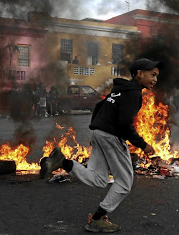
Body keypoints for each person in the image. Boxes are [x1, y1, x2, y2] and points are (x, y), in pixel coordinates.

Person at [40, 58, 160, 233]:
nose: (156, 79)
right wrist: (143, 145)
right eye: (153, 74)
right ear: (140, 74)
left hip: (99, 132)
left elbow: (99, 106)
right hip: (111, 137)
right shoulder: (133, 93)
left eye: (157, 76)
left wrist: (97, 129)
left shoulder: (119, 90)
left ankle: (63, 163)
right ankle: (97, 219)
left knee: (99, 179)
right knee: (125, 183)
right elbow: (125, 123)